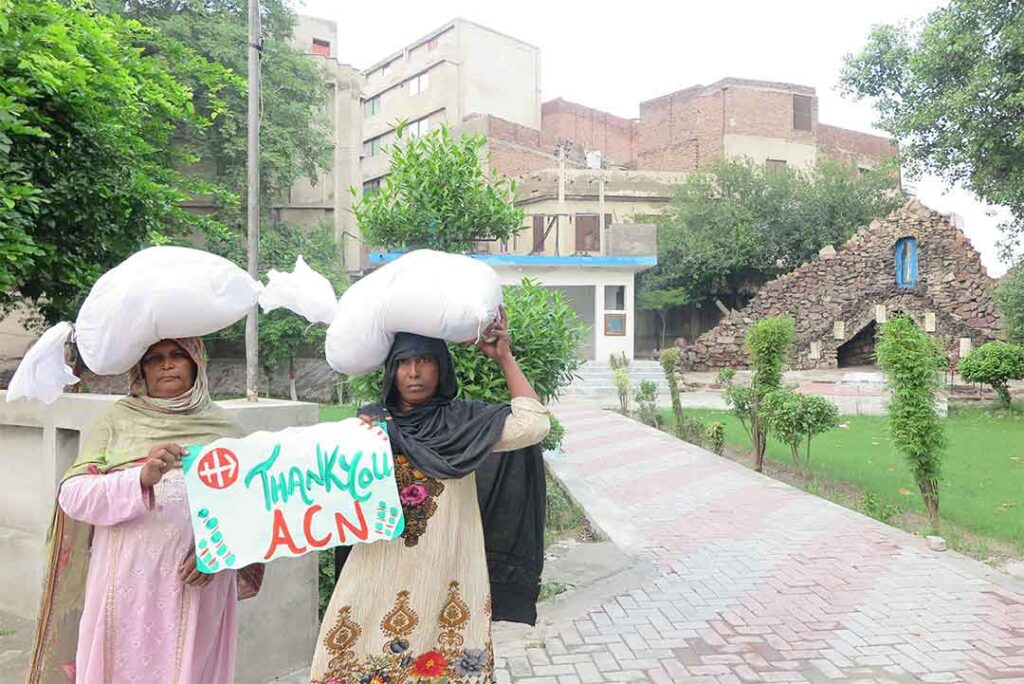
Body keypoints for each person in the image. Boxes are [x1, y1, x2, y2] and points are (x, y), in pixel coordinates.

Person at [311, 308, 550, 684]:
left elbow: (533, 424)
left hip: (448, 575)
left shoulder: (465, 423)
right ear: (391, 370)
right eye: (403, 362)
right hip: (376, 572)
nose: (414, 372)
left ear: (442, 367)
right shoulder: (370, 425)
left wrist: (504, 357)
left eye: (425, 360)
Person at [27, 338, 263, 684]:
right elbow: (73, 496)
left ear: (197, 364)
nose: (166, 365)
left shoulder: (227, 430)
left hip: (197, 585)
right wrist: (140, 478)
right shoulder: (118, 421)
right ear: (141, 370)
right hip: (123, 585)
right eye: (155, 359)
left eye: (177, 355)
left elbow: (256, 507)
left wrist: (217, 548)